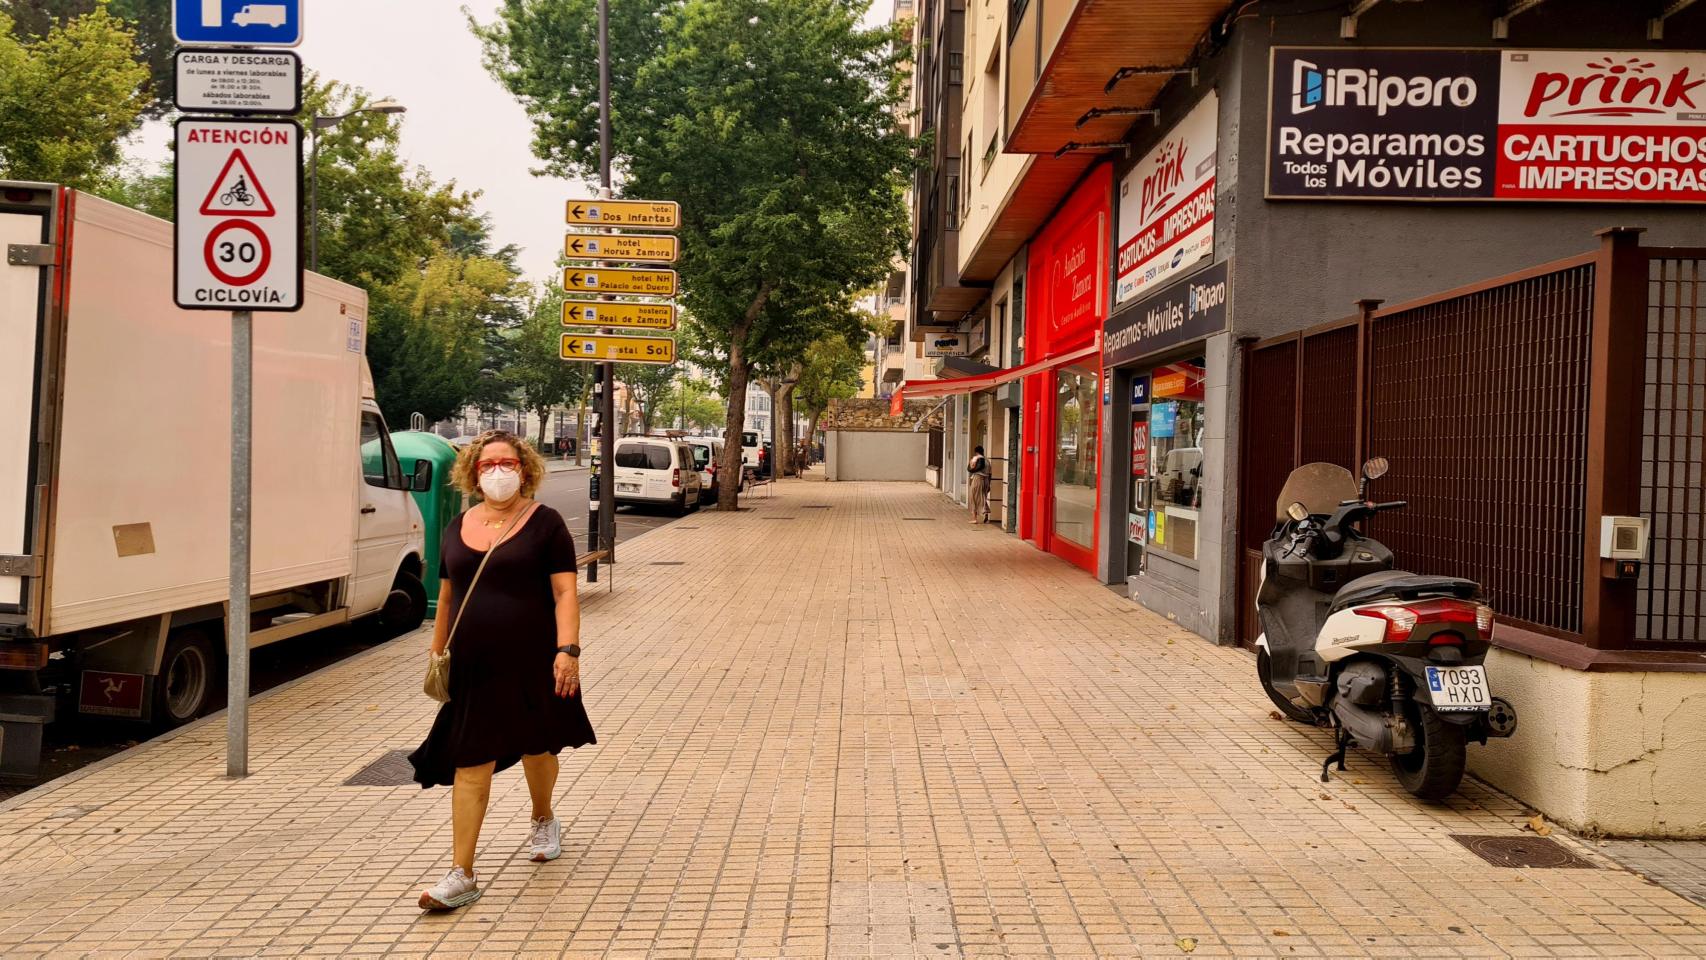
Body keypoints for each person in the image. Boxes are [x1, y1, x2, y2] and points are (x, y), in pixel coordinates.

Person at [410, 430, 596, 911]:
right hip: (474, 666)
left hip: (535, 658)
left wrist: (568, 650)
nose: (497, 471)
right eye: (488, 464)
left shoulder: (546, 524)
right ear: (473, 473)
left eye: (507, 463)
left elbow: (564, 593)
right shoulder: (458, 527)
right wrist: (437, 656)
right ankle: (462, 874)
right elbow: (447, 598)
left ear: (524, 468)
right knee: (471, 761)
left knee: (538, 746)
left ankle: (542, 817)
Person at [967, 445, 992, 524]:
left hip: (978, 478)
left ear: (976, 452)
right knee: (982, 497)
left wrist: (971, 466)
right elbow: (990, 473)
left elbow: (971, 469)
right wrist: (989, 484)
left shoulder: (977, 459)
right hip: (986, 480)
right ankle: (986, 514)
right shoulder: (987, 460)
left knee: (973, 497)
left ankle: (975, 518)